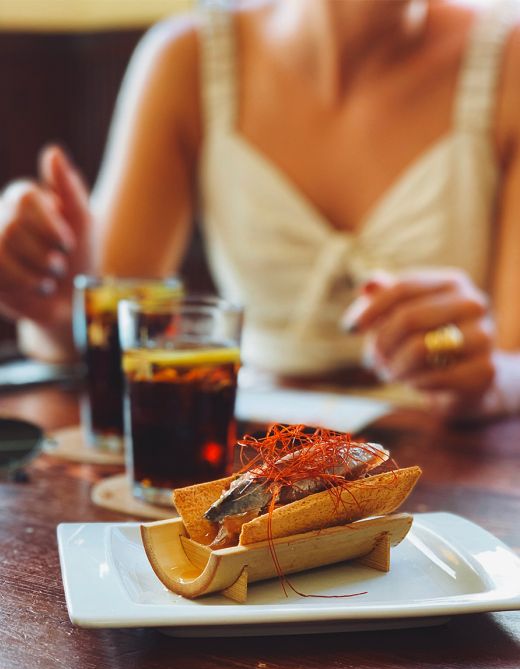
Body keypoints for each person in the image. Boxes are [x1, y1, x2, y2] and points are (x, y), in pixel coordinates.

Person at [0, 0, 520, 419]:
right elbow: (105, 346)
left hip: (449, 463)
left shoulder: (508, 60)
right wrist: (50, 303)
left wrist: (487, 379)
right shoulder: (189, 59)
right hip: (252, 463)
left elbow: (512, 366)